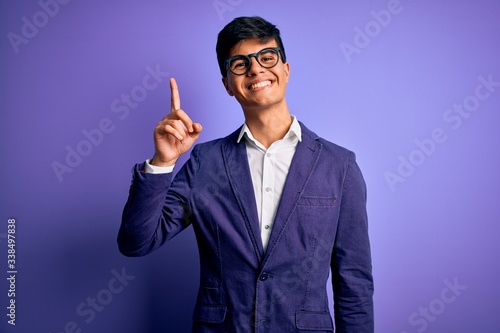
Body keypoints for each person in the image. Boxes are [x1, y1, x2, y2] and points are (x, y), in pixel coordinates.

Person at [118, 16, 374, 333]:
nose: (255, 70)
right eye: (240, 64)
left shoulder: (339, 165)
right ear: (227, 84)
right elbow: (136, 242)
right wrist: (162, 161)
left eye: (266, 58)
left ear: (286, 70)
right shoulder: (205, 161)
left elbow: (354, 284)